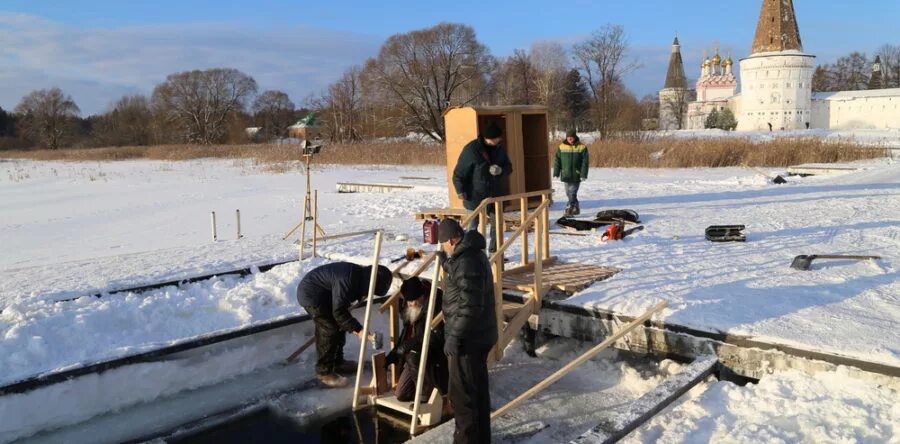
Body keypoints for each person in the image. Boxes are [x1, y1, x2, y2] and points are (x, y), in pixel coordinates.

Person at [437, 219, 496, 443]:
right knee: (477, 392)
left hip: (468, 340)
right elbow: (464, 282)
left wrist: (454, 336)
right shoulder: (467, 255)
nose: (443, 248)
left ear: (452, 240)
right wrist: (447, 264)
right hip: (477, 336)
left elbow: (470, 305)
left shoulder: (466, 261)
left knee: (463, 399)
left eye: (443, 244)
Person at [296, 262, 393, 388]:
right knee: (329, 329)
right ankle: (324, 372)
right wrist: (359, 330)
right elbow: (339, 312)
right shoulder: (348, 281)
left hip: (327, 294)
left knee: (340, 325)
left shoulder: (359, 277)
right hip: (311, 295)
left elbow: (340, 311)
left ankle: (338, 362)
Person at [452, 121, 512, 252]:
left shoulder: (499, 149)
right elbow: (459, 172)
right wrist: (460, 190)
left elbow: (509, 167)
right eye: (497, 138)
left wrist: (500, 170)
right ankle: (469, 254)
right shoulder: (472, 150)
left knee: (497, 225)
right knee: (472, 226)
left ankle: (495, 253)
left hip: (495, 194)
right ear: (488, 138)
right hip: (474, 195)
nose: (499, 140)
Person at [385, 277, 448, 401]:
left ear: (422, 296)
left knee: (413, 355)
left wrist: (409, 345)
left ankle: (424, 396)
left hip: (433, 356)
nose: (410, 304)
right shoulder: (411, 306)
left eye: (412, 301)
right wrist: (395, 353)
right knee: (401, 395)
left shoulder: (436, 303)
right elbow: (407, 333)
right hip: (414, 357)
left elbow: (437, 337)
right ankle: (419, 386)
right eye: (408, 301)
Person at [553, 129, 589, 216]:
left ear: (575, 137)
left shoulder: (582, 147)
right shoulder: (561, 147)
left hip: (577, 174)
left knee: (572, 192)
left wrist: (583, 174)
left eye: (571, 137)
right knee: (568, 193)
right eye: (568, 137)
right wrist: (556, 173)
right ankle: (576, 207)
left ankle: (569, 208)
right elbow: (557, 160)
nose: (570, 139)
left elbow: (585, 162)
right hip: (566, 174)